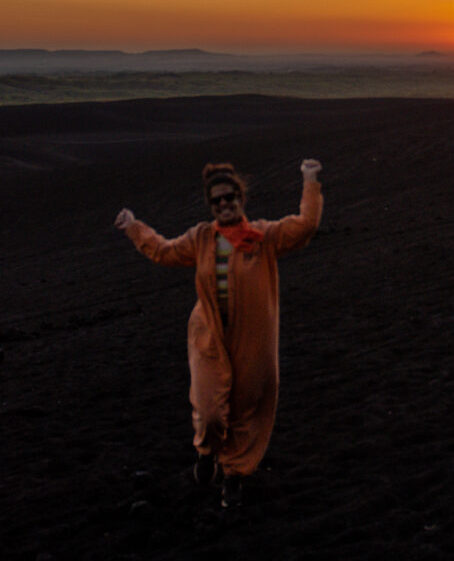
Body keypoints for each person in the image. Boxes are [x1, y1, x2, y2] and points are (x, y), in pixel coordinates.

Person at [114, 158, 323, 507]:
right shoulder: (201, 238)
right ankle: (207, 453)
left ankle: (234, 476)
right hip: (209, 339)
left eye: (229, 197)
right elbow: (164, 251)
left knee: (247, 409)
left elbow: (304, 226)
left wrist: (310, 180)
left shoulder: (264, 237)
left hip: (251, 341)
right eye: (217, 201)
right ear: (210, 206)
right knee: (210, 412)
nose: (224, 204)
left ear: (240, 198)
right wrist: (134, 227)